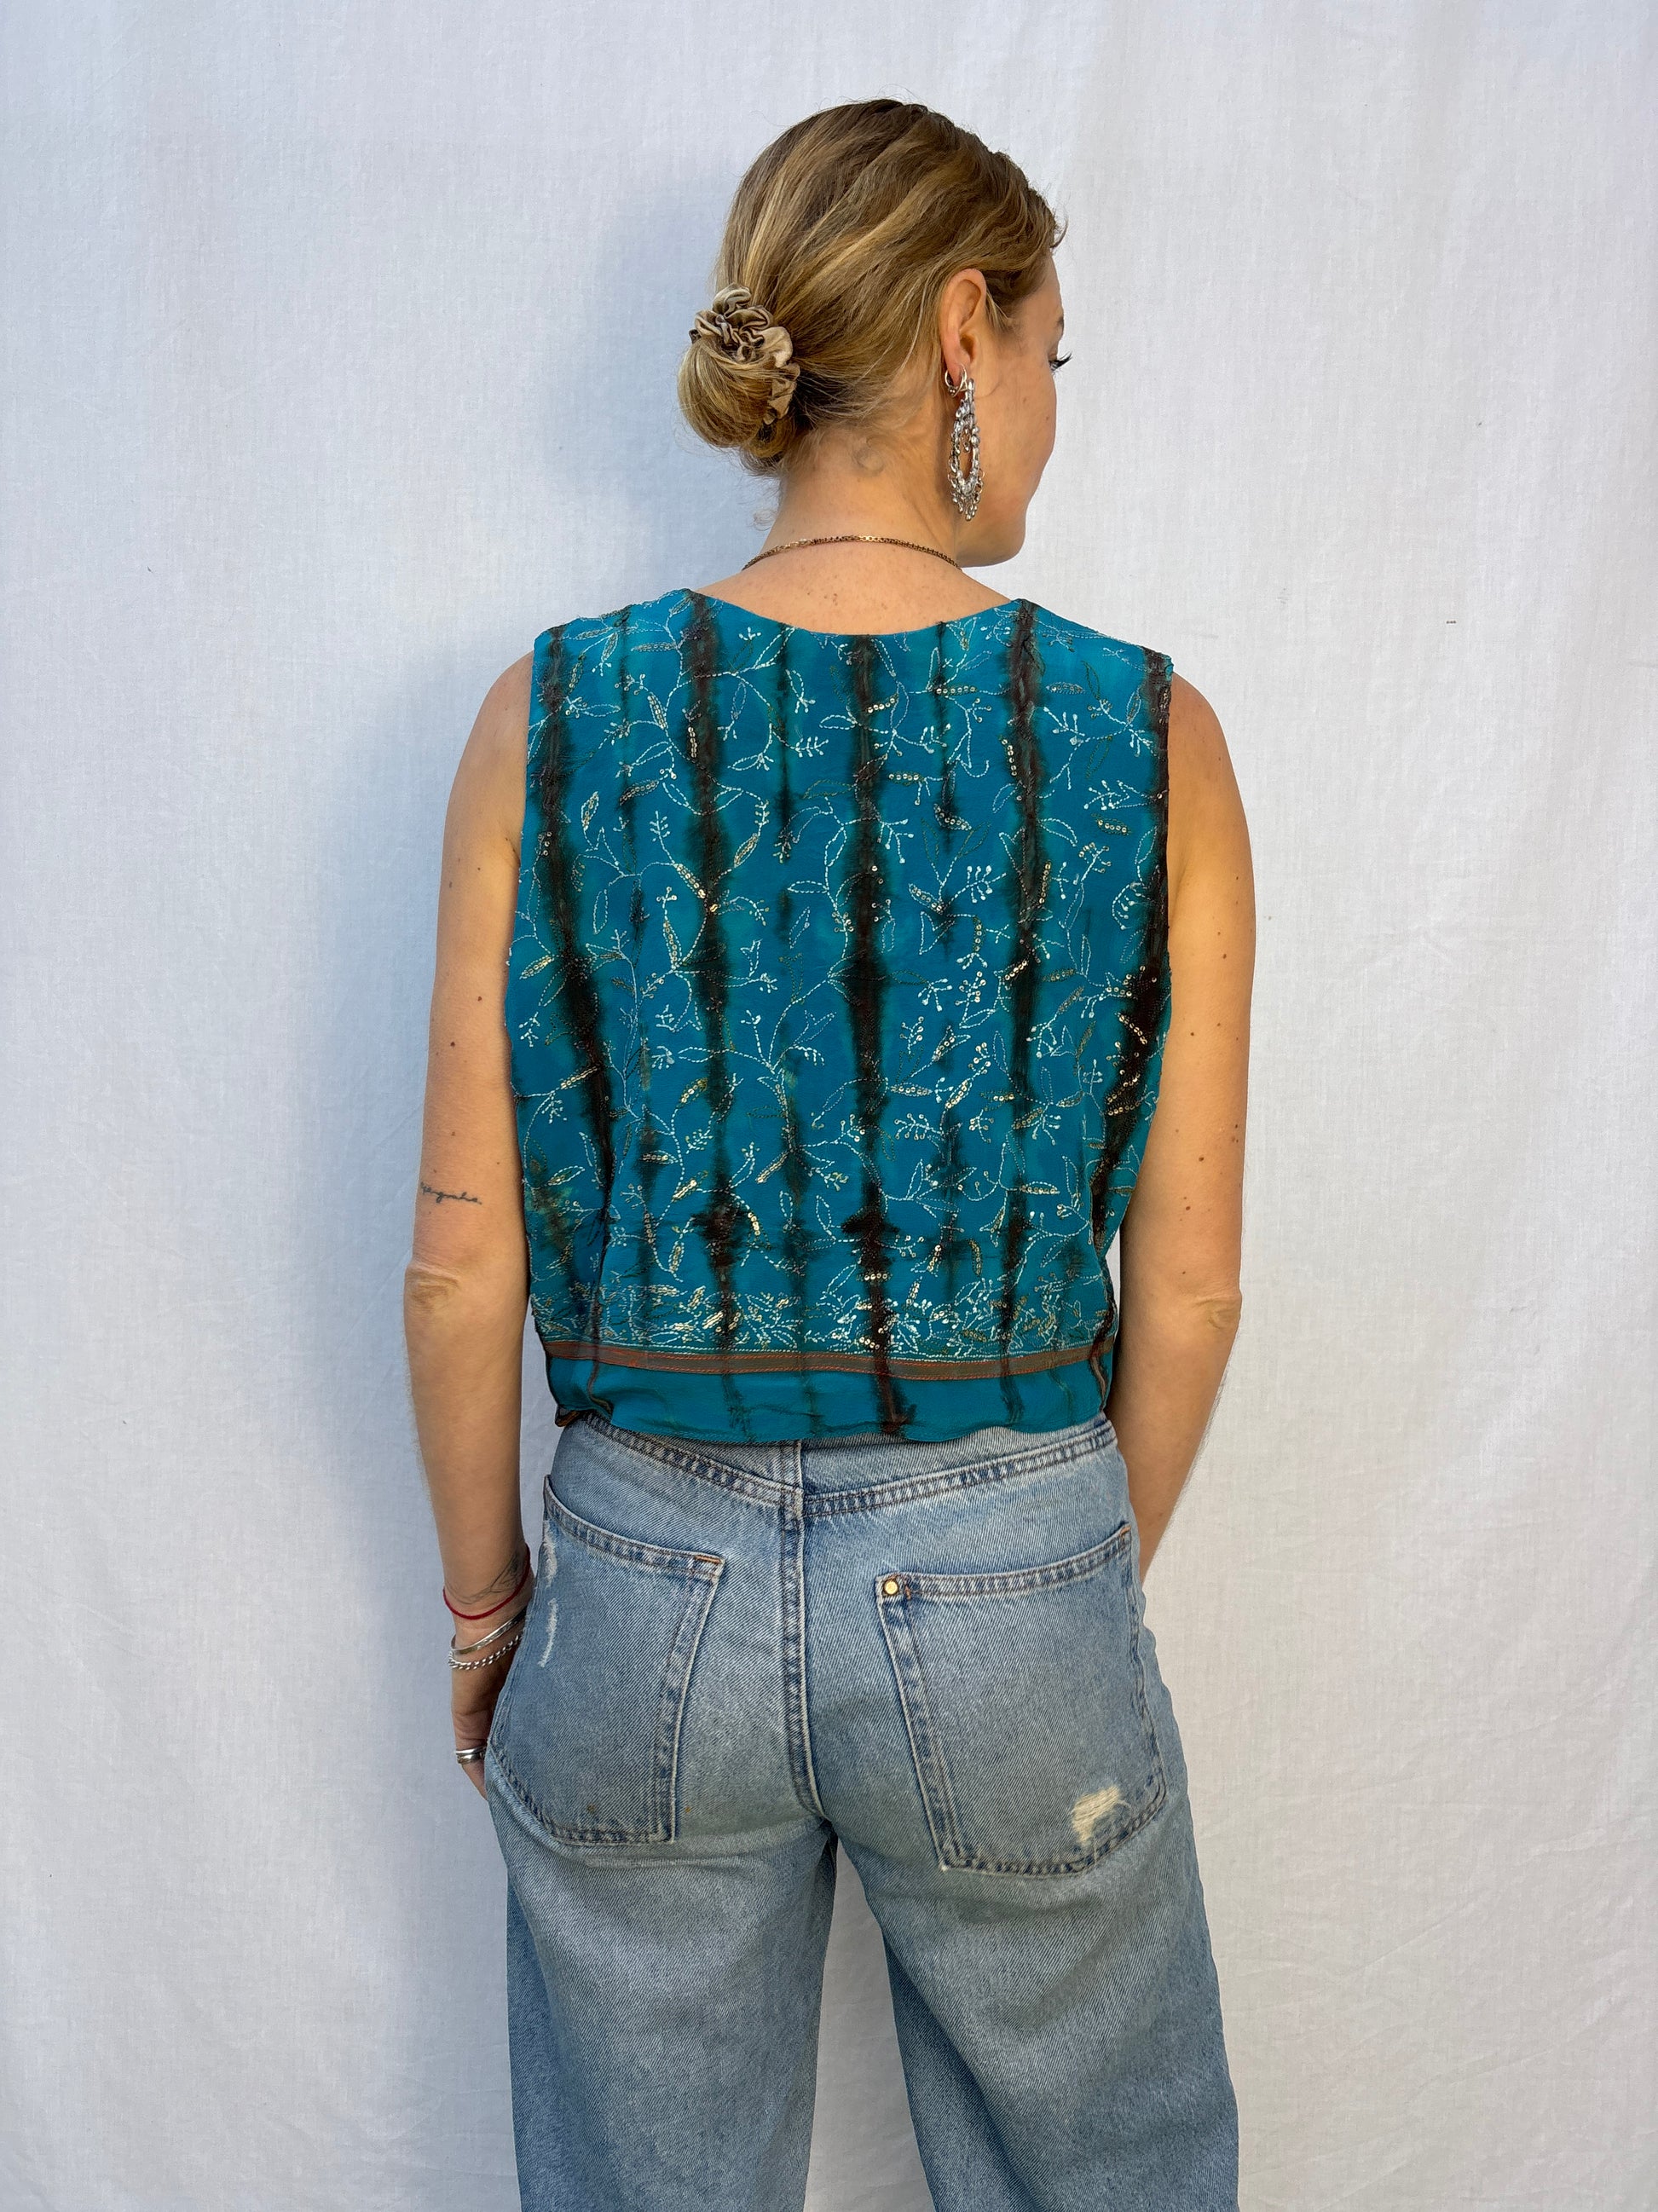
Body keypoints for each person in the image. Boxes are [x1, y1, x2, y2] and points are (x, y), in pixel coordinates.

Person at [404, 96, 1253, 2212]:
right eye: (1051, 349)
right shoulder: (1149, 737)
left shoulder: (547, 714)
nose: (1052, 404)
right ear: (966, 335)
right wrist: (1046, 1565)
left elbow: (456, 1267)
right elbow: (1190, 1283)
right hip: (1014, 1549)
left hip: (636, 1585)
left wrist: (491, 1606)